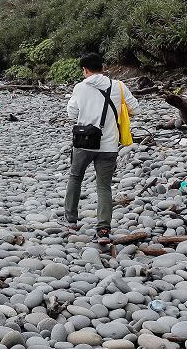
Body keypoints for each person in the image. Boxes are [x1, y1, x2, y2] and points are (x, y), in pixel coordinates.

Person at [65, 52, 139, 243]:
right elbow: (136, 109)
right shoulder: (118, 86)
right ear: (103, 67)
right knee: (104, 186)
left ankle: (71, 220)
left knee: (75, 178)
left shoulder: (80, 88)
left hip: (83, 143)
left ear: (85, 70)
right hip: (108, 145)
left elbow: (72, 114)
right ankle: (103, 230)